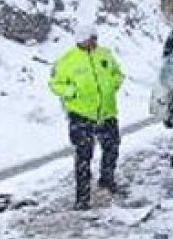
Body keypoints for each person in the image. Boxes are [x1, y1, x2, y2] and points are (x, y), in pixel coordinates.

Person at [49, 23, 126, 210]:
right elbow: (55, 83)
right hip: (81, 115)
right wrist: (71, 91)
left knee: (112, 147)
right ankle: (82, 198)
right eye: (91, 38)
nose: (94, 42)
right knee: (84, 156)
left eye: (95, 38)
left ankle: (107, 180)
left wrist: (113, 84)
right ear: (80, 39)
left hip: (107, 112)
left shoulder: (105, 54)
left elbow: (118, 73)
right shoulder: (67, 60)